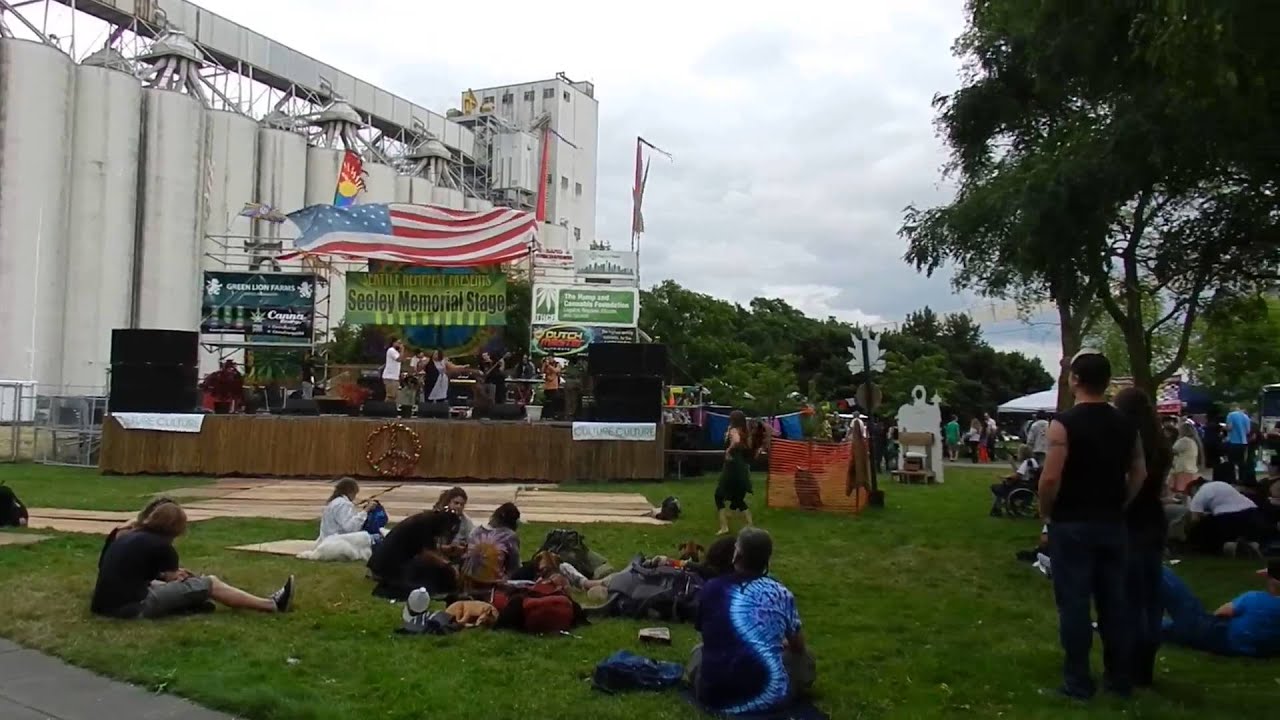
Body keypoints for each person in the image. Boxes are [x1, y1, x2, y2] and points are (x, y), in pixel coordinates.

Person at [1038, 349, 1145, 700]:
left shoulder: (1064, 424)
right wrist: (1122, 503)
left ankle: (1078, 682)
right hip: (1112, 522)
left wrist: (1046, 512)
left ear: (1076, 380)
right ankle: (1119, 679)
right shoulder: (1127, 424)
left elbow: (1050, 478)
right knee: (1115, 603)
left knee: (1074, 603)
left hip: (1071, 522)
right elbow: (1139, 472)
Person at [687, 528, 814, 716]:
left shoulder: (712, 588)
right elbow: (798, 646)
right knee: (805, 658)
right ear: (767, 559)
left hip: (714, 695)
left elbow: (708, 637)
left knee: (699, 652)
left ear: (737, 555)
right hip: (770, 698)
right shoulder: (781, 593)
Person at [91, 503, 294, 618]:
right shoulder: (163, 546)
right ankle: (271, 605)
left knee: (175, 586)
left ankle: (190, 606)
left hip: (103, 605)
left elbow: (145, 571)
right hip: (133, 607)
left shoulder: (127, 535)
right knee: (209, 583)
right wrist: (187, 577)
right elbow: (174, 579)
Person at [1112, 387, 1174, 688]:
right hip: (1154, 520)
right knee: (1151, 597)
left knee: (1127, 598)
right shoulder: (1161, 445)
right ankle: (1145, 664)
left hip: (1130, 521)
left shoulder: (1126, 445)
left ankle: (1128, 667)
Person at [1159, 560, 1280, 658]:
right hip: (1237, 649)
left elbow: (1220, 612)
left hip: (1213, 636)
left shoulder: (1254, 598)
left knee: (1164, 574)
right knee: (1161, 627)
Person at [367, 510, 463, 599]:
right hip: (388, 566)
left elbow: (425, 548)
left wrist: (449, 549)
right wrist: (449, 567)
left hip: (385, 561)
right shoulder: (425, 525)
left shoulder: (425, 520)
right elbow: (427, 554)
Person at [1185, 479, 1265, 557]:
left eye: (1190, 494)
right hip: (1251, 512)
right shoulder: (1222, 484)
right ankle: (1252, 546)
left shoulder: (1200, 493)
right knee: (1247, 536)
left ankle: (1232, 548)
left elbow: (1195, 519)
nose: (1192, 497)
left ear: (1194, 488)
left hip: (1227, 517)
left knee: (1209, 537)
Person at [460, 502, 522, 589]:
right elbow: (514, 567)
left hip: (467, 582)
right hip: (493, 585)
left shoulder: (476, 531)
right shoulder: (509, 536)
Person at [716, 410, 755, 536]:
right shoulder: (745, 431)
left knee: (719, 495)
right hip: (741, 466)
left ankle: (724, 527)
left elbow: (736, 441)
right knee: (738, 498)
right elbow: (746, 446)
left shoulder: (733, 430)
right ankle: (750, 526)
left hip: (732, 466)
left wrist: (728, 450)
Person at [988, 444, 1039, 517]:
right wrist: (1012, 464)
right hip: (1030, 485)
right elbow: (1020, 473)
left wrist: (1005, 477)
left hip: (1022, 487)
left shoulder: (1026, 463)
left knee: (995, 487)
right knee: (1002, 485)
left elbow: (1017, 476)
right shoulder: (1033, 461)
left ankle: (997, 509)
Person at [1169, 422, 1205, 493]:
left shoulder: (1184, 440)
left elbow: (1173, 450)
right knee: (1188, 492)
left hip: (1182, 469)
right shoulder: (1194, 441)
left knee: (1183, 490)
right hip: (1191, 468)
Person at [1225, 404, 1252, 484]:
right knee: (1241, 463)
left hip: (1233, 441)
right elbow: (1248, 431)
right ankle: (1241, 479)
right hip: (1243, 442)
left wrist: (1224, 428)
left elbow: (1229, 428)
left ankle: (1232, 479)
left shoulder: (1230, 415)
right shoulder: (1246, 417)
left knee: (1231, 462)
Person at [382, 337, 404, 402]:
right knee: (390, 396)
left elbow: (401, 360)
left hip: (395, 377)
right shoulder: (391, 350)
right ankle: (386, 409)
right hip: (389, 377)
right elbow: (399, 359)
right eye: (398, 343)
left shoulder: (396, 352)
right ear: (394, 343)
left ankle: (391, 410)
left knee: (395, 396)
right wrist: (402, 350)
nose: (400, 345)